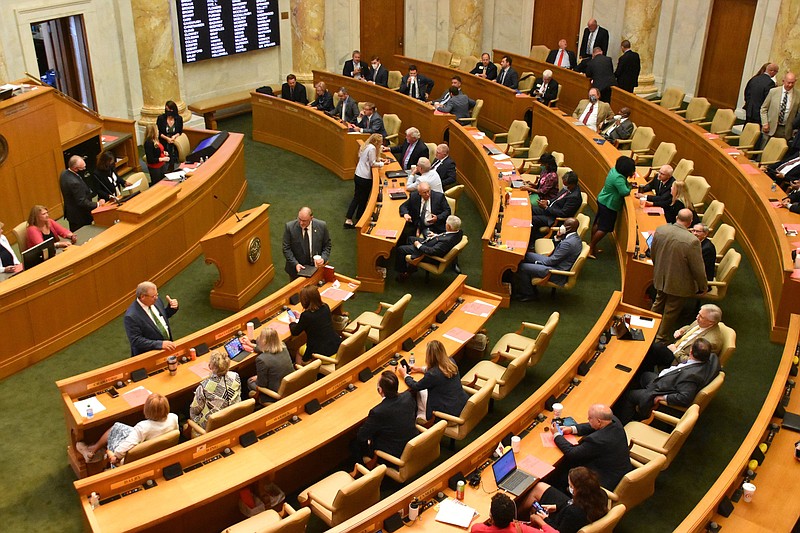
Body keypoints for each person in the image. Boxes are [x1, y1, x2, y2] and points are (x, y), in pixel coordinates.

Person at [616, 338, 719, 424]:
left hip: (660, 392)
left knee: (628, 395)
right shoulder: (712, 358)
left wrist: (663, 397)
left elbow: (685, 398)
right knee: (644, 375)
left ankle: (626, 422)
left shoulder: (691, 377)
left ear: (691, 352)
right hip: (666, 381)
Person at [650, 209, 709, 341]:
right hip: (679, 283)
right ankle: (660, 338)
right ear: (690, 222)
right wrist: (703, 286)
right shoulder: (692, 241)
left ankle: (648, 328)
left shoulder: (661, 230)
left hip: (661, 275)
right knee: (671, 310)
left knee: (658, 302)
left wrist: (659, 268)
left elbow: (653, 252)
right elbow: (698, 268)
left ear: (677, 217)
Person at [75, 393, 178, 465]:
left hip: (138, 456)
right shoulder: (174, 417)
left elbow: (124, 447)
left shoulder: (143, 427)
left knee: (114, 429)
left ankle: (92, 451)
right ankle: (96, 450)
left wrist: (115, 457)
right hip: (159, 448)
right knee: (118, 427)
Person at [552, 404, 632, 491]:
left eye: (590, 418)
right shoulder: (614, 421)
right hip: (619, 469)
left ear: (599, 421)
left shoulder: (597, 440)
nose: (588, 419)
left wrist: (557, 435)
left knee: (562, 471)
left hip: (605, 480)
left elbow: (572, 453)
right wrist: (572, 429)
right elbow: (591, 425)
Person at [520, 467, 609, 533]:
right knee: (540, 487)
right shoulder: (601, 495)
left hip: (562, 525)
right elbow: (571, 503)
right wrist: (557, 507)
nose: (569, 487)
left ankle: (514, 517)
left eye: (571, 486)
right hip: (572, 516)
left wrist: (544, 519)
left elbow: (558, 531)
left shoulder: (574, 512)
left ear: (578, 490)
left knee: (534, 514)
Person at [513, 217, 582, 302]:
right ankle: (521, 283)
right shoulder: (574, 237)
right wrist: (557, 238)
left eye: (565, 225)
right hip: (555, 262)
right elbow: (559, 253)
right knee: (526, 255)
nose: (562, 226)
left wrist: (536, 263)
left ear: (569, 228)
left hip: (556, 271)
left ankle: (529, 294)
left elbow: (551, 261)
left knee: (523, 267)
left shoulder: (568, 243)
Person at [398, 339, 469, 421]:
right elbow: (440, 370)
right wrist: (420, 369)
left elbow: (415, 386)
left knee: (420, 391)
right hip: (460, 405)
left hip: (447, 413)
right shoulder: (451, 361)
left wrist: (405, 375)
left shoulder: (432, 375)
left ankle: (421, 416)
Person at [355, 371, 418, 460]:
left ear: (380, 390)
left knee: (354, 443)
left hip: (393, 455)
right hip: (412, 444)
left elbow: (361, 436)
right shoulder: (408, 396)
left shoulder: (378, 412)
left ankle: (365, 467)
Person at [641, 304, 724, 370]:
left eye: (701, 317)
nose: (697, 317)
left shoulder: (711, 342)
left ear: (711, 322)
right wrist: (681, 331)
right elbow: (690, 327)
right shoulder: (701, 322)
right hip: (676, 346)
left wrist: (676, 351)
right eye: (698, 314)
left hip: (678, 360)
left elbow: (693, 363)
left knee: (653, 350)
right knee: (652, 348)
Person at [588, 156, 635, 258]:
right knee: (604, 228)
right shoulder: (619, 178)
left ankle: (591, 246)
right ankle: (591, 247)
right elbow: (624, 191)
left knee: (598, 223)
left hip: (603, 199)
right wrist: (630, 186)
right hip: (609, 204)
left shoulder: (614, 170)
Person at [394, 215, 463, 282]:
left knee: (401, 249)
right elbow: (446, 236)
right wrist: (436, 236)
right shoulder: (459, 232)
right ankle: (412, 266)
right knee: (410, 239)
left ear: (449, 226)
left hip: (428, 254)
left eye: (446, 224)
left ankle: (403, 271)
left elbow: (432, 251)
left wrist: (419, 245)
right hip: (433, 243)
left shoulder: (446, 241)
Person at [288, 285, 342, 365]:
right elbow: (317, 319)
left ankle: (300, 373)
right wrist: (301, 317)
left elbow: (295, 332)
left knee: (299, 352)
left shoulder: (306, 316)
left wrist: (292, 322)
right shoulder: (325, 307)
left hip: (321, 352)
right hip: (336, 345)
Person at [189, 351, 242, 430]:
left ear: (210, 366)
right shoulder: (235, 376)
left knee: (192, 415)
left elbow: (195, 410)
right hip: (235, 415)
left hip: (215, 423)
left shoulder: (204, 386)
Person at [124, 281, 179, 357]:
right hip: (150, 355)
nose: (156, 298)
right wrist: (160, 344)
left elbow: (162, 318)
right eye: (153, 296)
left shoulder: (156, 301)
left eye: (157, 295)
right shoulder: (131, 316)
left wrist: (172, 308)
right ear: (143, 296)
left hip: (168, 348)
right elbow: (136, 340)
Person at [243, 328, 294, 404]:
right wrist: (251, 345)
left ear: (264, 342)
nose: (258, 338)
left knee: (249, 381)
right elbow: (267, 348)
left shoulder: (261, 359)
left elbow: (261, 384)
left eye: (260, 337)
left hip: (275, 392)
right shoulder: (283, 345)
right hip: (291, 384)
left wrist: (258, 377)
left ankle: (255, 404)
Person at [344, 133, 384, 229]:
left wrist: (378, 159)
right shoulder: (372, 148)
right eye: (380, 142)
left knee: (358, 197)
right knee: (361, 198)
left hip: (358, 174)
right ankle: (350, 219)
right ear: (376, 142)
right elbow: (372, 163)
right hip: (364, 178)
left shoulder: (366, 146)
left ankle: (357, 217)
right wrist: (381, 163)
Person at [282, 206, 332, 279]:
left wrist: (323, 258)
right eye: (299, 219)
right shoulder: (290, 227)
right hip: (296, 270)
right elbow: (286, 249)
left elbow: (327, 245)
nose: (301, 223)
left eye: (304, 220)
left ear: (311, 218)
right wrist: (295, 264)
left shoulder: (321, 226)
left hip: (315, 268)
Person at [529, 171, 583, 237]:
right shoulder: (569, 188)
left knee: (533, 219)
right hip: (550, 210)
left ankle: (531, 240)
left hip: (554, 218)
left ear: (571, 184)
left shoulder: (574, 197)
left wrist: (546, 208)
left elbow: (563, 213)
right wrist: (548, 201)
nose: (564, 186)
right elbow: (557, 198)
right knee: (529, 209)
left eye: (565, 184)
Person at [471, 492, 556, 533]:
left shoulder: (479, 530)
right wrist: (539, 520)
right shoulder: (520, 529)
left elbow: (475, 527)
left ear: (491, 517)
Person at [60, 155, 104, 231]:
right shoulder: (74, 183)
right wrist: (97, 204)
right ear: (75, 169)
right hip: (79, 215)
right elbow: (82, 201)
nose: (85, 169)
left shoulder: (64, 174)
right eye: (83, 168)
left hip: (71, 212)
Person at [760, 72, 799, 142]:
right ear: (783, 81)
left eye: (792, 83)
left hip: (786, 129)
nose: (790, 85)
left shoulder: (798, 95)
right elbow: (764, 108)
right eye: (788, 82)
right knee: (764, 149)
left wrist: (795, 128)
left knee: (780, 150)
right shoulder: (773, 91)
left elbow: (798, 114)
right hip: (770, 127)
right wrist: (765, 123)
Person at [156, 100, 183, 171]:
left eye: (170, 109)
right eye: (166, 109)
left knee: (173, 150)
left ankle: (172, 165)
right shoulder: (161, 118)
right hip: (164, 140)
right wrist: (167, 138)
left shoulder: (179, 119)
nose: (168, 111)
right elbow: (159, 132)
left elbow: (180, 131)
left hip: (174, 140)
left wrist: (174, 137)